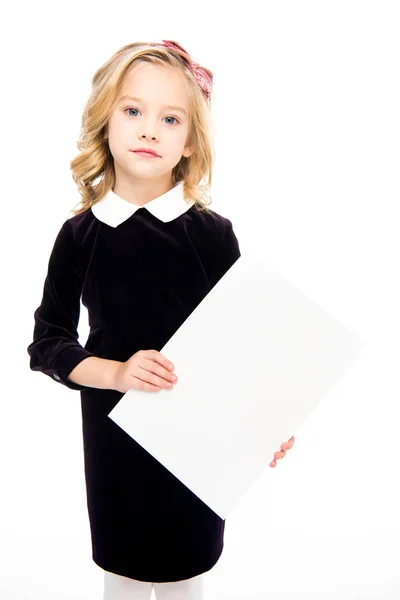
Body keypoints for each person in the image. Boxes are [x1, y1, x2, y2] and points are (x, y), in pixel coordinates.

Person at [26, 39, 240, 600]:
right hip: (114, 440)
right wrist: (117, 374)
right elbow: (47, 343)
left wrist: (265, 422)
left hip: (198, 440)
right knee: (120, 577)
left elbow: (246, 344)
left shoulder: (213, 235)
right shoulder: (80, 236)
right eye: (133, 111)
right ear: (105, 121)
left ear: (190, 139)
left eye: (170, 118)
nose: (150, 130)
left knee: (186, 577)